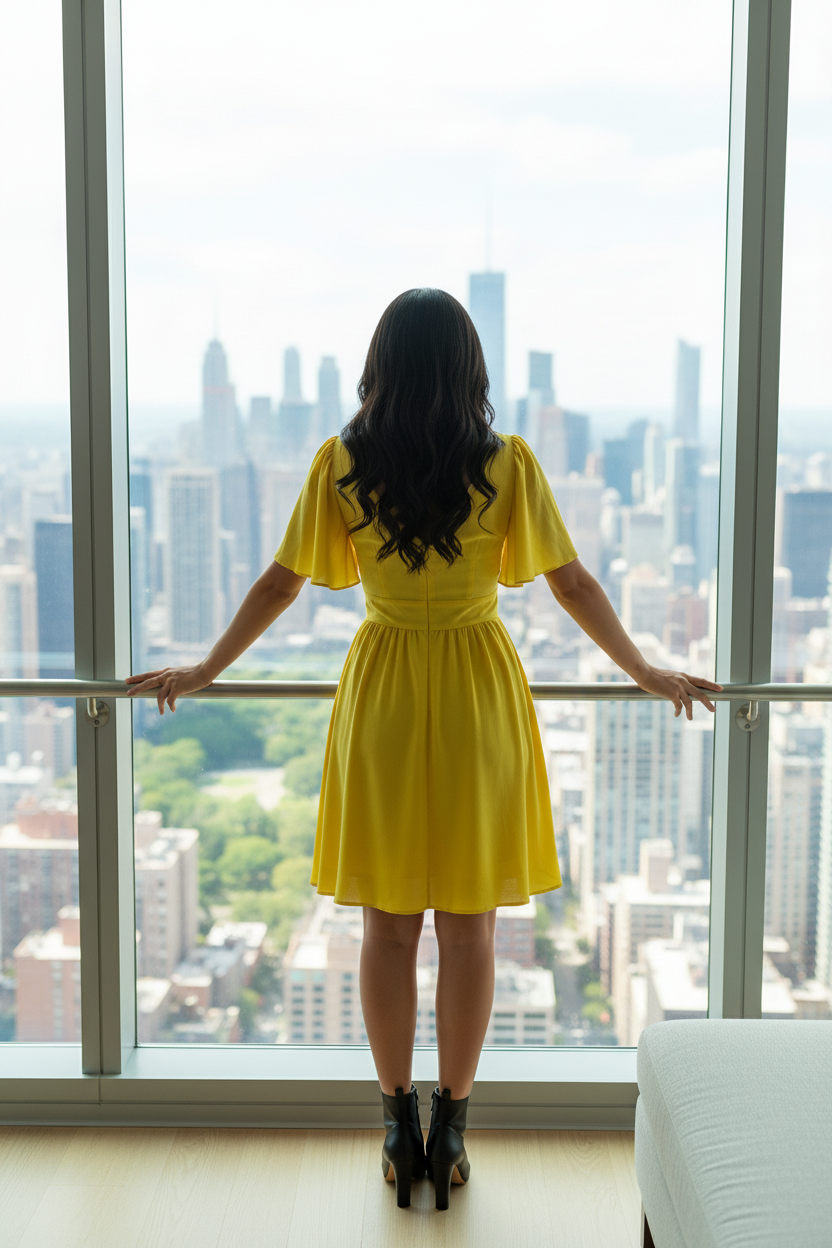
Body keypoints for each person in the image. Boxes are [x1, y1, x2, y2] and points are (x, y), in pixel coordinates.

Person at [127, 288, 721, 1211]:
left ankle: (396, 1125)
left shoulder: (342, 461)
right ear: (468, 368)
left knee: (387, 925)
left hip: (386, 692)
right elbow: (570, 582)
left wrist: (206, 668)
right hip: (481, 686)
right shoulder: (507, 462)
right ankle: (454, 1126)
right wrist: (645, 670)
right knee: (471, 926)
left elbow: (284, 582)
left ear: (381, 364)